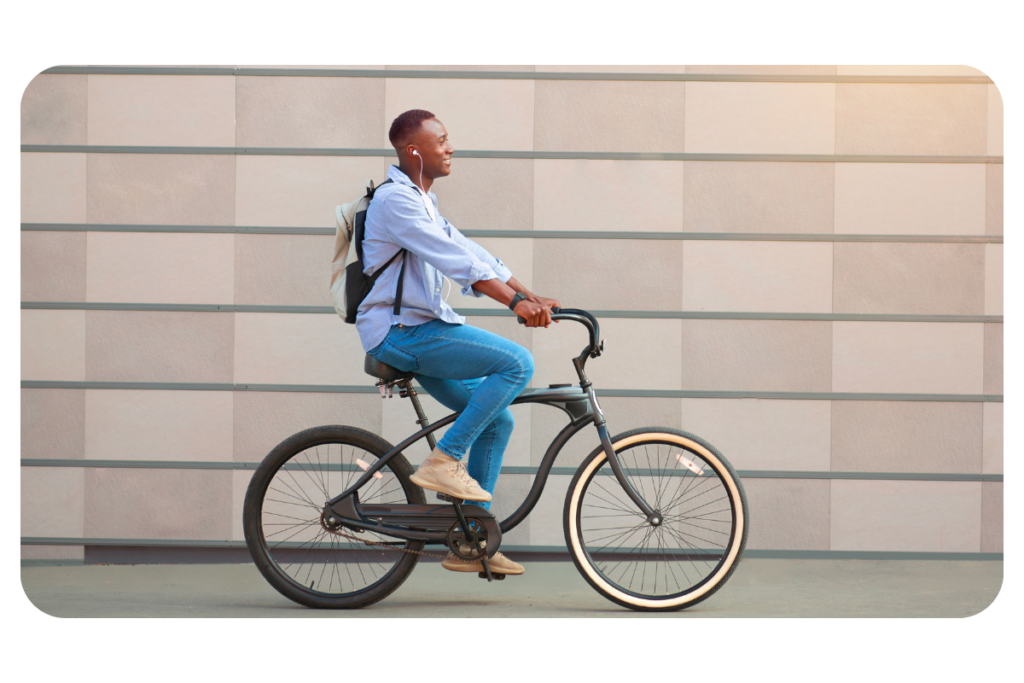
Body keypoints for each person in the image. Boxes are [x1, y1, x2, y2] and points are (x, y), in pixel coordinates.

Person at [357, 109, 559, 576]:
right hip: (401, 334)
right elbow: (454, 261)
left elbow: (469, 249)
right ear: (414, 151)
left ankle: (471, 542)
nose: (451, 148)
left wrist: (526, 293)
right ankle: (444, 459)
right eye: (441, 141)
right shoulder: (396, 202)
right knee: (517, 363)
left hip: (421, 329)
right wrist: (513, 306)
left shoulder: (420, 198)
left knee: (498, 421)